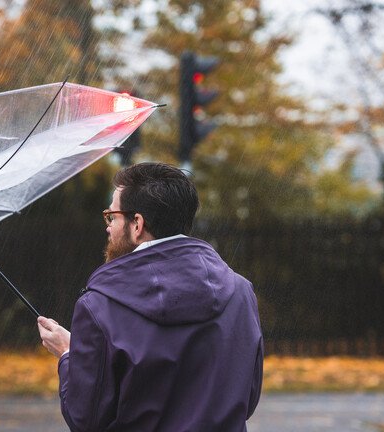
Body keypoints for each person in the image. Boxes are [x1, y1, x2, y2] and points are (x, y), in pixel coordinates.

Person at [37, 162, 263, 431]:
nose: (108, 226)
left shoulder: (99, 307)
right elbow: (246, 399)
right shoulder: (241, 292)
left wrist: (68, 355)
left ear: (137, 224)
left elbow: (86, 419)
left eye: (112, 216)